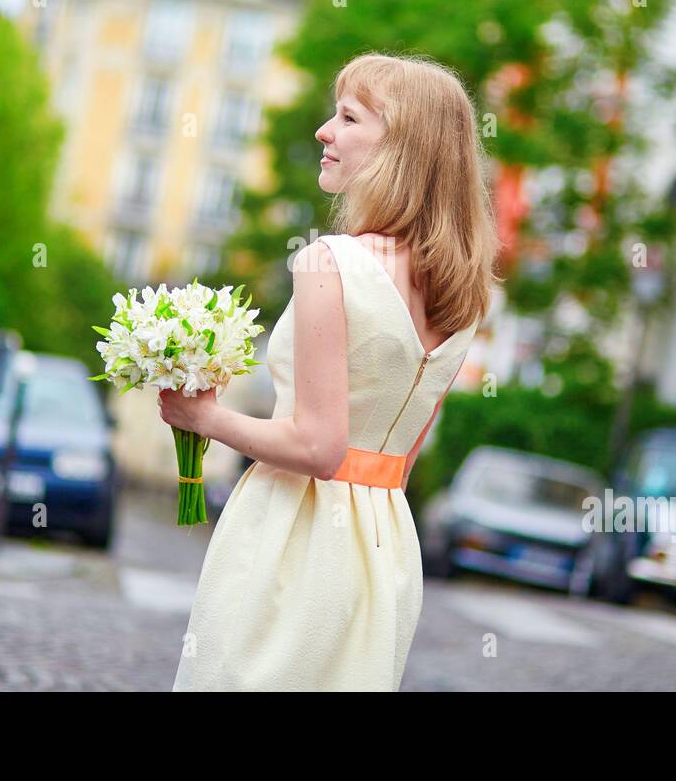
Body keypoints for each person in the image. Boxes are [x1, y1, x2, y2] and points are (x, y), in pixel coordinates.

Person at [162, 51, 500, 691]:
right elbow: (398, 454)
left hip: (295, 532)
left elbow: (318, 447)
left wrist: (201, 416)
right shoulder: (464, 294)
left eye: (348, 117)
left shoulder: (330, 263)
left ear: (401, 147)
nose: (324, 131)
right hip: (385, 546)